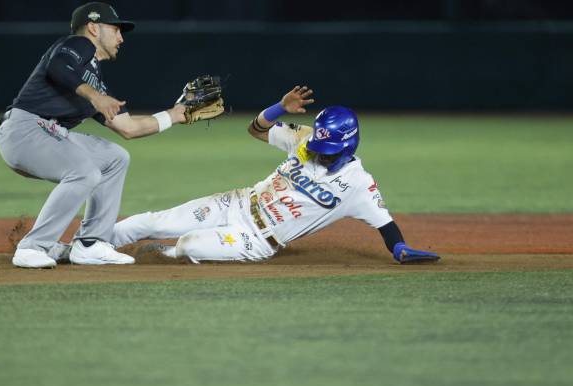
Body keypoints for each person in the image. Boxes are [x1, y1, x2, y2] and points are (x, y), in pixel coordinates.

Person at [111, 86, 440, 264]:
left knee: (188, 245)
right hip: (236, 202)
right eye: (319, 145)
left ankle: (161, 256)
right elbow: (256, 129)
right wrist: (280, 107)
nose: (321, 153)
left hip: (256, 239)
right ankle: (90, 243)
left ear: (348, 143)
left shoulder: (359, 185)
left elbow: (386, 226)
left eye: (329, 150)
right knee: (155, 222)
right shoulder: (306, 138)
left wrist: (400, 249)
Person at [0, 2, 189, 268]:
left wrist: (175, 115)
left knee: (114, 158)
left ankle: (90, 243)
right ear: (93, 28)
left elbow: (128, 128)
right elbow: (57, 66)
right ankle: (33, 246)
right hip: (24, 130)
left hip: (48, 133)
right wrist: (94, 97)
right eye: (116, 29)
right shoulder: (78, 45)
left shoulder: (94, 82)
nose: (121, 38)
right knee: (84, 172)